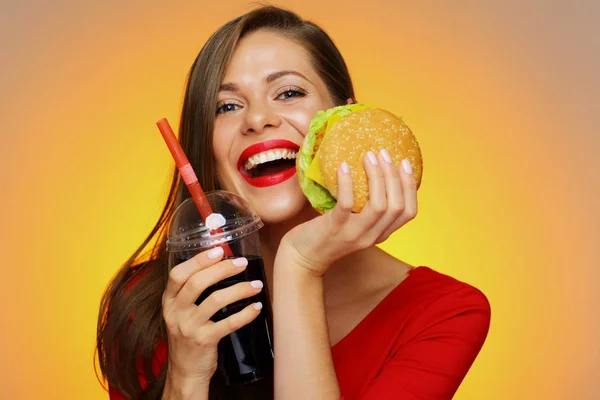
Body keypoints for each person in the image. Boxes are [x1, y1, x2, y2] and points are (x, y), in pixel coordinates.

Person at [96, 5, 491, 400]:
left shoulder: (445, 313)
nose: (258, 119)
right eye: (227, 106)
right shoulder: (151, 308)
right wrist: (185, 378)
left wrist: (299, 266)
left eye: (288, 93)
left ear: (345, 117)